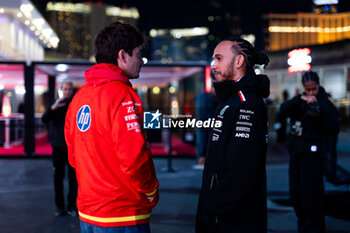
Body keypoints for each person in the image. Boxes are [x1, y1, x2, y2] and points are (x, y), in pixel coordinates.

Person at [64, 22, 159, 233]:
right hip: (122, 214)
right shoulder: (122, 95)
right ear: (123, 56)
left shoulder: (80, 97)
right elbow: (134, 156)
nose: (141, 61)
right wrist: (151, 190)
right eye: (138, 55)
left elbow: (73, 157)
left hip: (89, 212)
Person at [196, 38, 270, 233]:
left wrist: (215, 209)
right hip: (221, 216)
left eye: (219, 59)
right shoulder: (231, 100)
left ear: (238, 62)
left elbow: (242, 168)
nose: (213, 65)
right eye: (213, 59)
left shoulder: (246, 103)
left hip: (233, 221)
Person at [275, 71, 340, 233]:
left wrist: (318, 116)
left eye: (313, 89)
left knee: (311, 197)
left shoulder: (326, 105)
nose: (311, 93)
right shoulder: (299, 102)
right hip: (296, 155)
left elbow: (333, 129)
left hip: (313, 157)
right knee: (296, 195)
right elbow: (282, 110)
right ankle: (304, 226)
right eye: (308, 89)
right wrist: (300, 99)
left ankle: (314, 228)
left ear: (318, 86)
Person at [41, 81, 78, 217]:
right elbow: (44, 119)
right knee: (58, 177)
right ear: (61, 90)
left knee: (73, 178)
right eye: (65, 89)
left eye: (70, 89)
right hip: (58, 146)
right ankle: (60, 207)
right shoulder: (54, 104)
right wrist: (53, 108)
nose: (68, 91)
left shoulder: (76, 104)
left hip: (73, 147)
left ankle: (71, 206)